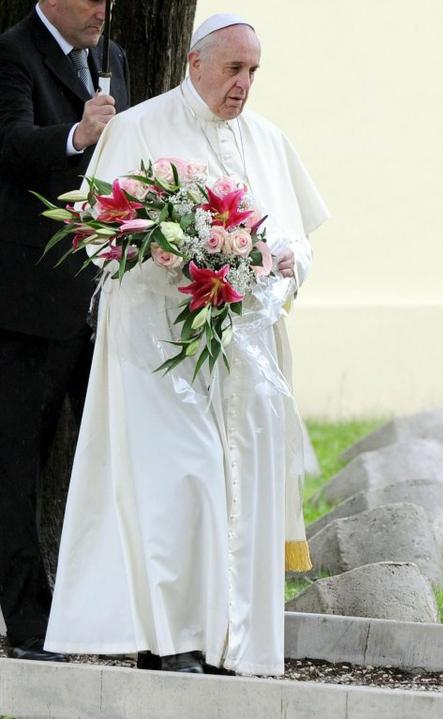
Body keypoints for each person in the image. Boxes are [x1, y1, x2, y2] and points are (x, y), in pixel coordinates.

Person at [43, 14, 328, 676]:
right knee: (181, 482)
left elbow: (300, 241)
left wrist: (284, 262)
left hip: (246, 353)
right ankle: (169, 638)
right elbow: (96, 234)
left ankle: (238, 642)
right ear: (195, 64)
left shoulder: (267, 140)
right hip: (156, 351)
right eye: (234, 69)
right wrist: (177, 251)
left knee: (244, 487)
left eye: (254, 71)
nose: (245, 85)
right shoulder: (137, 129)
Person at [0, 0, 130, 662]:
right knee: (17, 467)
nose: (103, 10)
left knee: (117, 460)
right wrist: (76, 136)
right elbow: (9, 146)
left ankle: (108, 614)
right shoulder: (13, 53)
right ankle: (28, 625)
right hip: (25, 307)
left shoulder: (116, 62)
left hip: (101, 303)